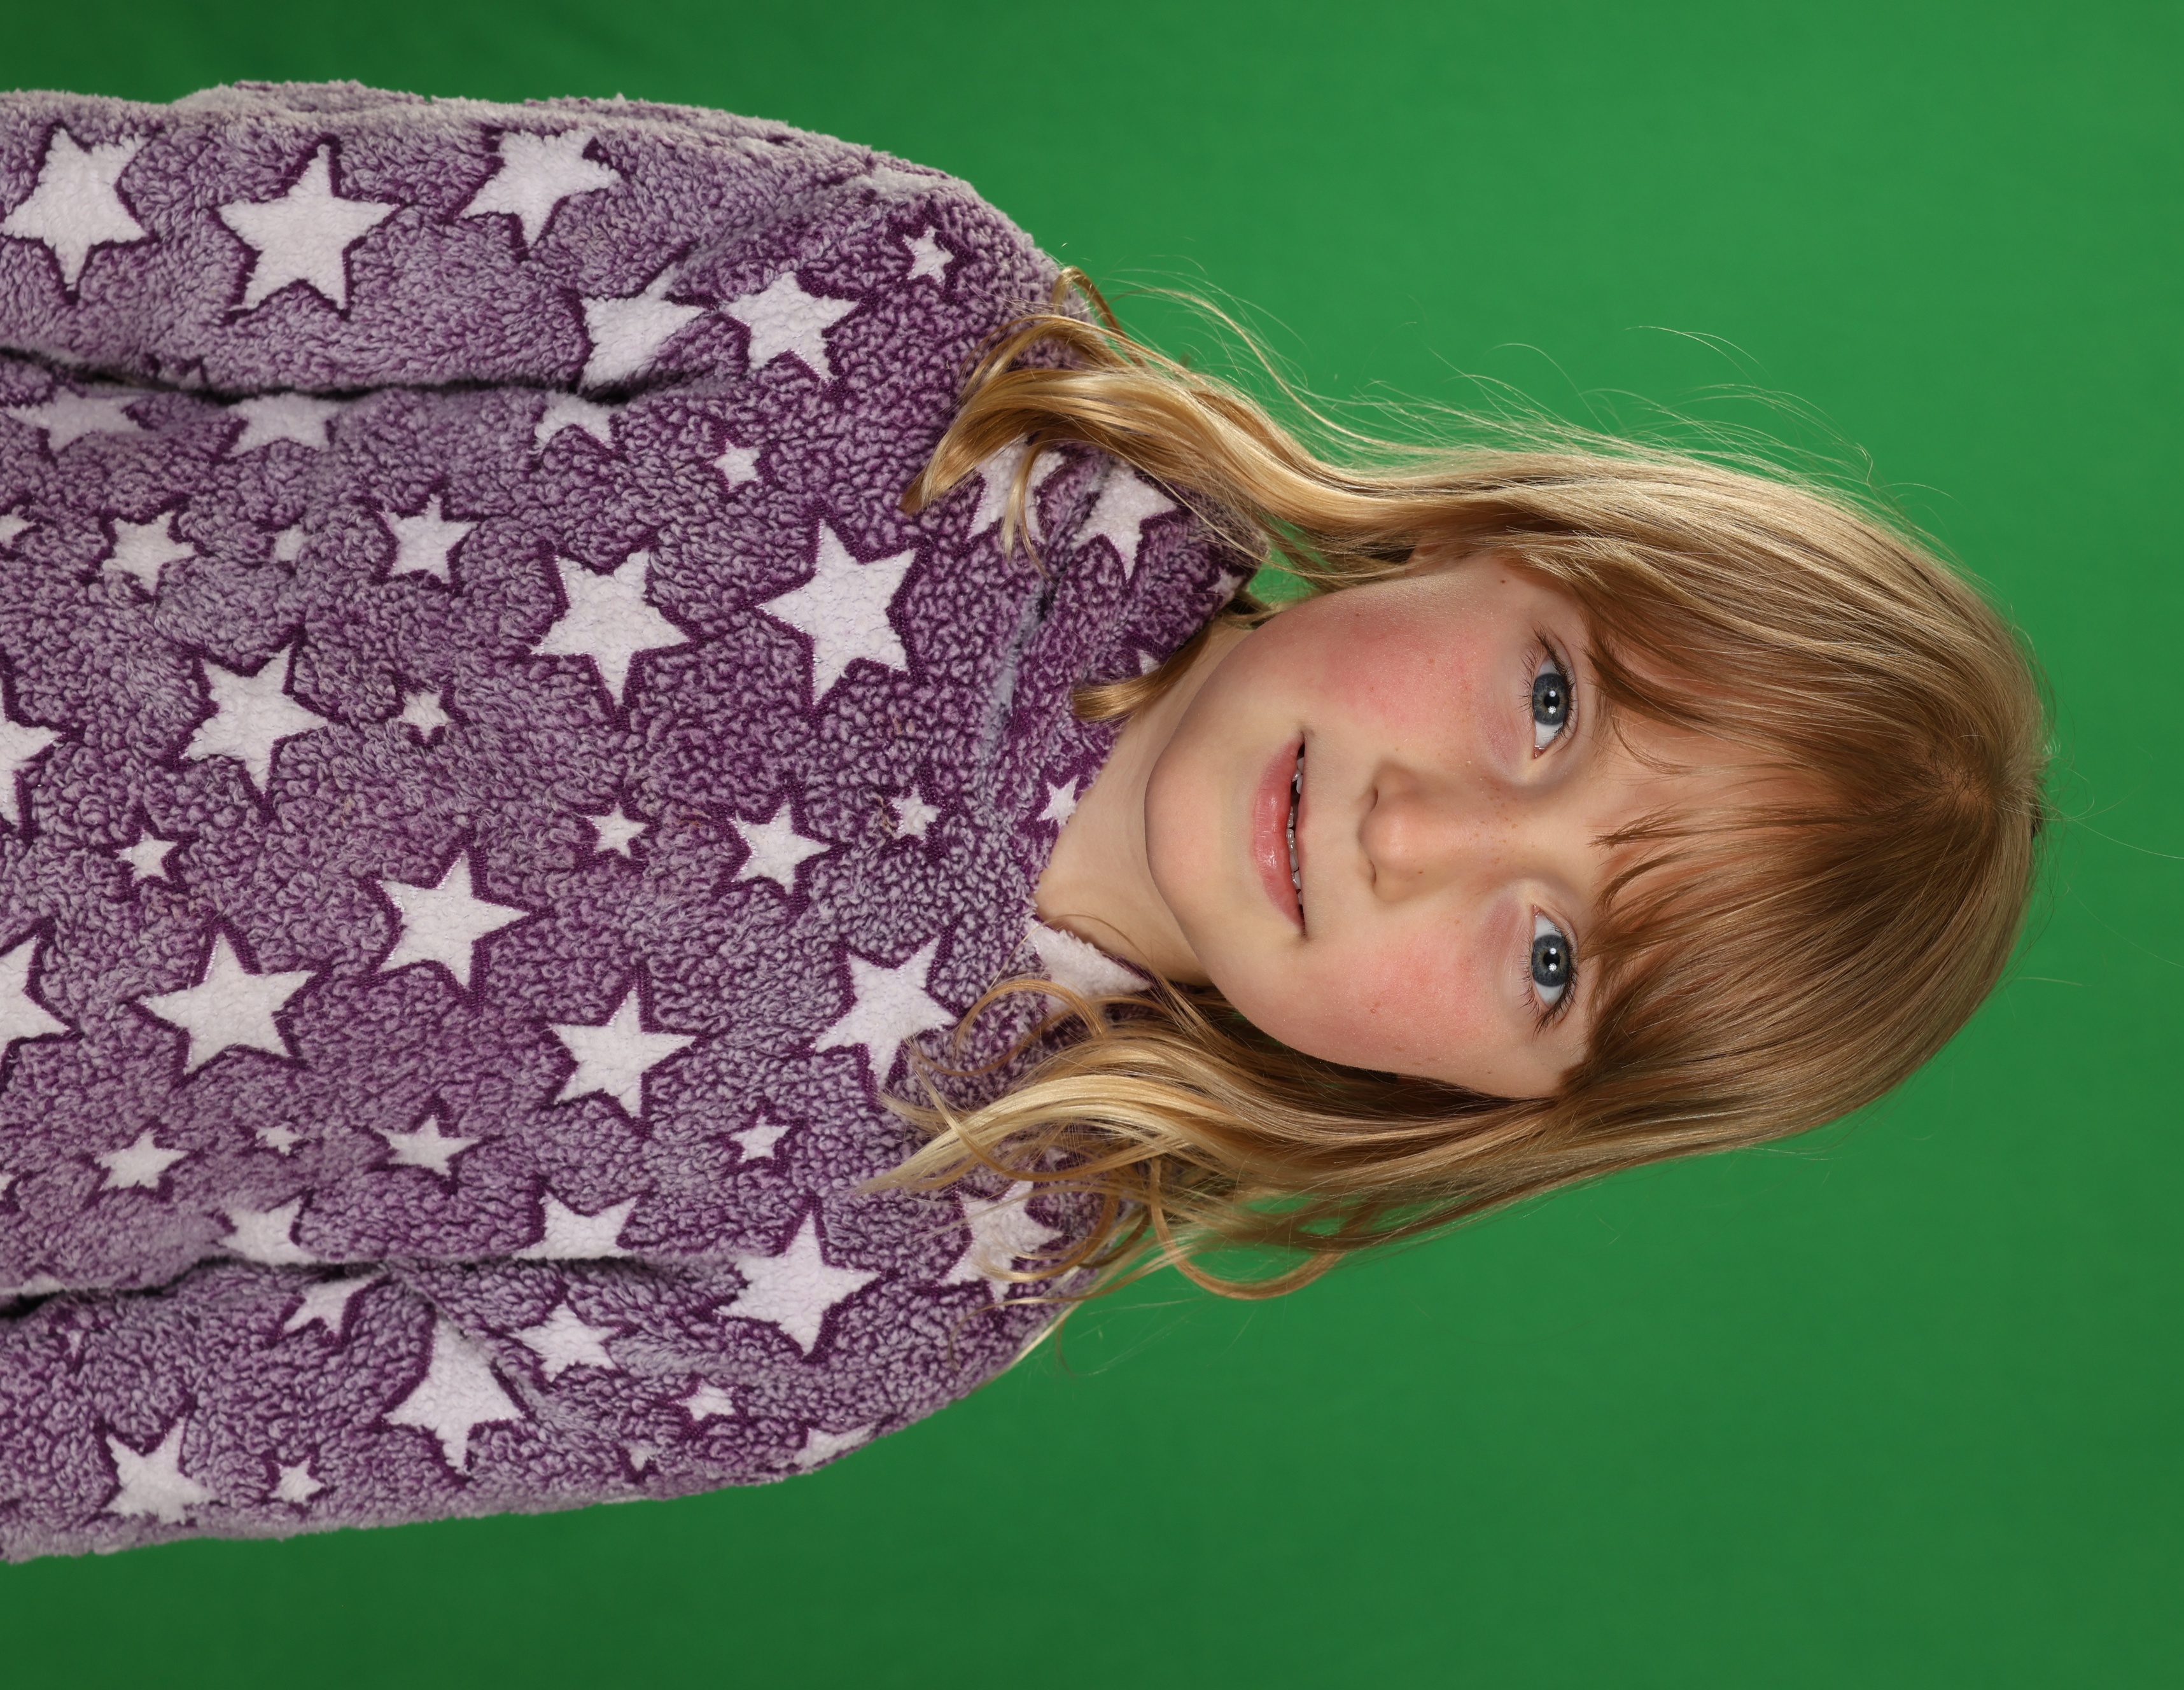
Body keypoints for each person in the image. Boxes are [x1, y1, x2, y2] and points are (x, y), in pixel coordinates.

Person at [0, 80, 2047, 1560]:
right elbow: (151, 223)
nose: (1417, 837)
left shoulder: (897, 1279)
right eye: (1549, 705)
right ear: (1496, 539)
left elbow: (158, 1420)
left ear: (1500, 1103)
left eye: (1550, 953)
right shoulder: (896, 324)